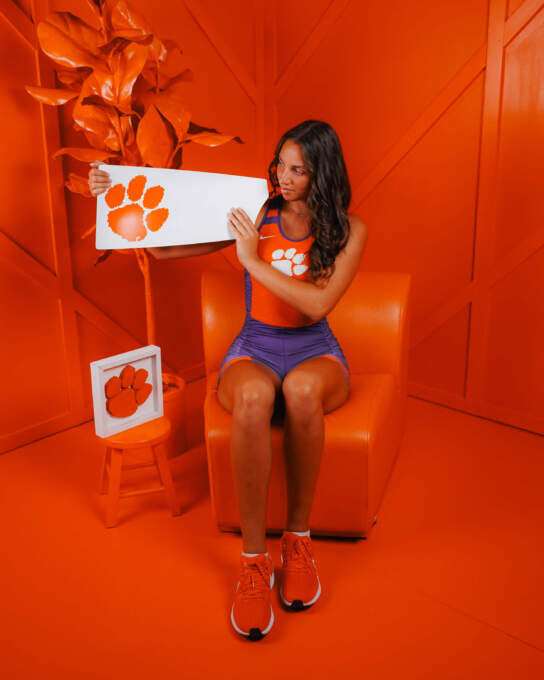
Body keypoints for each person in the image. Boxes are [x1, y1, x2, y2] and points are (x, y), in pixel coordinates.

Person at [89, 119, 368, 641]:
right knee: (255, 396)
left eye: (299, 170)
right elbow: (165, 248)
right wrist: (111, 197)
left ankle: (298, 540)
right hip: (255, 346)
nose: (283, 177)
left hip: (315, 349)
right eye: (281, 165)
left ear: (323, 173)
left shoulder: (351, 230)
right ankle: (254, 562)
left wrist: (248, 259)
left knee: (302, 390)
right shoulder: (257, 212)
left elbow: (317, 304)